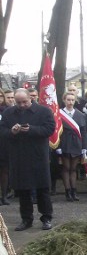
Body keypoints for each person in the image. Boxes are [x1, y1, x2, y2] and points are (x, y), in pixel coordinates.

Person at [0, 89, 56, 231]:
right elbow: (2, 131)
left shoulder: (44, 111)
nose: (22, 105)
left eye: (24, 102)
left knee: (42, 188)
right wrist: (12, 131)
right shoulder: (8, 113)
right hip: (18, 156)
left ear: (30, 98)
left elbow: (49, 129)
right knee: (23, 190)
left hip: (38, 155)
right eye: (18, 102)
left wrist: (31, 129)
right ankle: (26, 219)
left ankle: (46, 218)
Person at [57, 91, 87, 202]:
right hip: (64, 142)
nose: (70, 102)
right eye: (68, 100)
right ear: (64, 100)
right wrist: (58, 146)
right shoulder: (59, 114)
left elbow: (83, 131)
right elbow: (57, 131)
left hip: (76, 143)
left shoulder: (80, 114)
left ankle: (74, 191)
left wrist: (84, 146)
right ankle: (67, 192)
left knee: (74, 168)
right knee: (66, 168)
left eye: (72, 100)